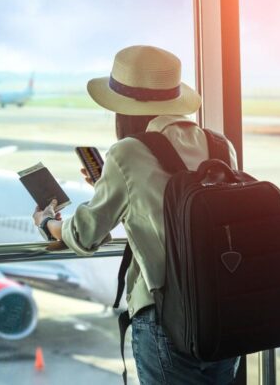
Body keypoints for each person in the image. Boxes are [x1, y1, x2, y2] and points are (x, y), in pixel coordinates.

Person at [32, 45, 240, 384]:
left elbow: (85, 235)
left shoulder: (128, 153)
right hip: (223, 311)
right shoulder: (220, 146)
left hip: (167, 318)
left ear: (123, 110)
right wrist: (113, 185)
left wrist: (48, 223)